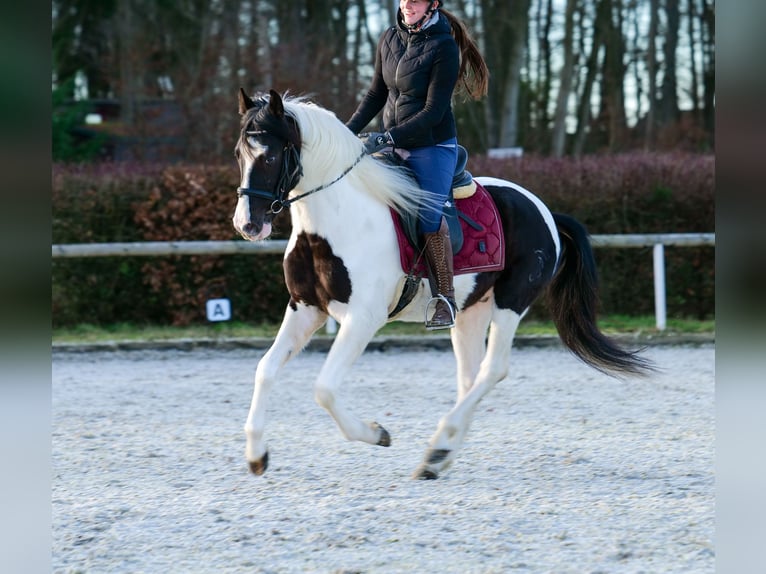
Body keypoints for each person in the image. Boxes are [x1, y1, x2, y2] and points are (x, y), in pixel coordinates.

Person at [345, 0, 489, 329]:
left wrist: (387, 137)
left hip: (433, 145)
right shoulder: (388, 38)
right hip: (393, 143)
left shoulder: (444, 46)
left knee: (428, 216)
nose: (408, 4)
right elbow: (374, 95)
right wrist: (343, 133)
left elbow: (434, 111)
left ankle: (445, 300)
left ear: (432, 5)